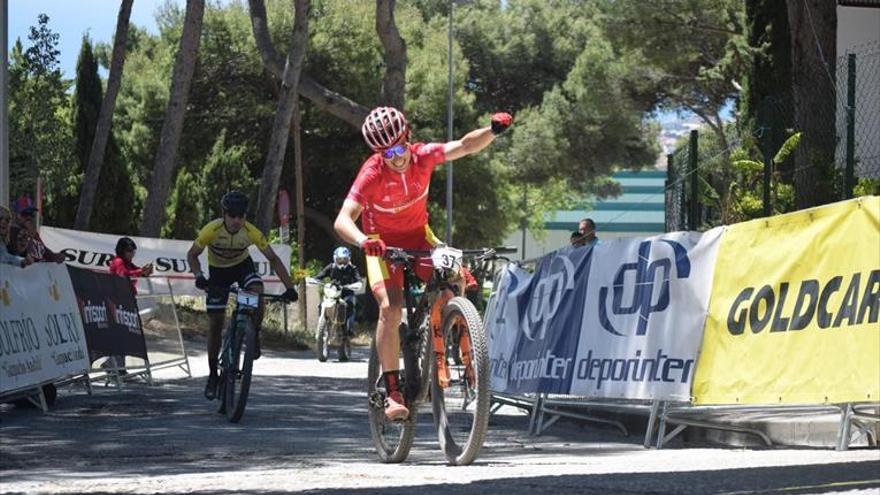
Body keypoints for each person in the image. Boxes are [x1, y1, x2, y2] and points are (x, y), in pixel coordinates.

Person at [334, 106, 513, 421]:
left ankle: (455, 331)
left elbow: (465, 146)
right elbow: (342, 220)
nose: (396, 157)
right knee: (391, 308)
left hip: (419, 237)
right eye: (387, 152)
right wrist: (364, 241)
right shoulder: (372, 172)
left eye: (400, 147)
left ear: (408, 137)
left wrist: (492, 131)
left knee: (455, 277)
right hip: (382, 245)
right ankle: (392, 392)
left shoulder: (423, 156)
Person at [186, 191, 298, 400]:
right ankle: (212, 375)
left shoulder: (251, 232)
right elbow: (192, 254)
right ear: (225, 214)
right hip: (218, 273)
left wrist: (290, 287)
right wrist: (199, 275)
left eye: (241, 216)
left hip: (241, 268)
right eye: (233, 215)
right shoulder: (211, 230)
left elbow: (273, 259)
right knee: (216, 324)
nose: (237, 220)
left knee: (256, 289)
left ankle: (253, 332)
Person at [106, 237, 154, 375]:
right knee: (121, 333)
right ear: (122, 251)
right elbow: (123, 275)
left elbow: (136, 272)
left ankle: (115, 366)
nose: (132, 254)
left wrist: (145, 272)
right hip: (118, 302)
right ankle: (116, 367)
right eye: (129, 251)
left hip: (126, 300)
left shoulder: (128, 263)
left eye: (133, 251)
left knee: (125, 333)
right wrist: (141, 272)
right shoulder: (118, 261)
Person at [312, 246, 363, 336]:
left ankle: (349, 328)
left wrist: (355, 285)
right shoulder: (331, 267)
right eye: (340, 260)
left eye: (345, 260)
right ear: (335, 259)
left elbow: (359, 280)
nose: (342, 263)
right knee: (321, 304)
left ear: (349, 259)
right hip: (333, 292)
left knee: (350, 306)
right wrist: (314, 280)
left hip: (347, 293)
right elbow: (320, 275)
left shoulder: (352, 268)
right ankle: (322, 322)